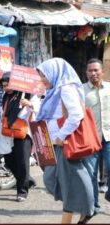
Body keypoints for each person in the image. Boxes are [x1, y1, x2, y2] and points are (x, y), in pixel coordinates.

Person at [36, 58, 95, 224]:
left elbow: (76, 114)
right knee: (51, 178)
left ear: (54, 73)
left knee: (70, 180)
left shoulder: (65, 88)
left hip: (65, 142)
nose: (42, 80)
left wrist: (61, 136)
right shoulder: (55, 90)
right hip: (55, 142)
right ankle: (86, 208)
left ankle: (86, 209)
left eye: (44, 76)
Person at [0, 72, 39, 202]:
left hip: (24, 133)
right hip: (8, 132)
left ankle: (22, 191)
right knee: (9, 160)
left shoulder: (27, 94)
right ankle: (27, 180)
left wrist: (29, 104)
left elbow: (39, 109)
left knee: (22, 162)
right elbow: (3, 114)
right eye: (3, 86)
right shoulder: (5, 97)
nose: (6, 88)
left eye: (8, 85)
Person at [82, 58, 110, 212]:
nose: (93, 73)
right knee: (91, 174)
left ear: (102, 72)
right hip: (90, 139)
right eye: (90, 70)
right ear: (86, 73)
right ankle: (94, 205)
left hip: (109, 137)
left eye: (96, 70)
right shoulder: (81, 90)